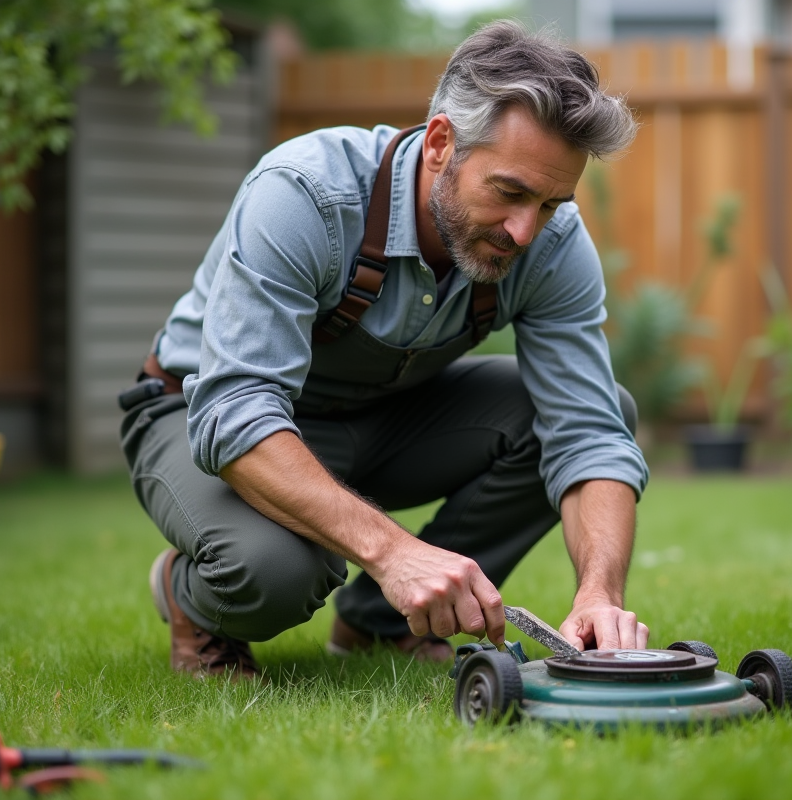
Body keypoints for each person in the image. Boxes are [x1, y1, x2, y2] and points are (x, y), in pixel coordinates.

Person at [120, 21, 651, 680]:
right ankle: (191, 596)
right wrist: (394, 552)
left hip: (381, 420)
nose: (525, 230)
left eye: (550, 204)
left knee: (607, 409)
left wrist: (600, 594)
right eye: (510, 192)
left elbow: (590, 433)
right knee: (277, 572)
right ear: (439, 144)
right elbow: (235, 413)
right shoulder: (305, 195)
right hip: (203, 417)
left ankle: (379, 624)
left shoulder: (552, 242)